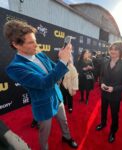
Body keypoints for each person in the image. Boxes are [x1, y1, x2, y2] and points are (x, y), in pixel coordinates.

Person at [3, 20, 78, 150]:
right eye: (31, 42)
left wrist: (64, 61)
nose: (36, 45)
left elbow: (54, 68)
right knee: (44, 133)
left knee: (64, 122)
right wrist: (63, 61)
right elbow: (44, 83)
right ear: (16, 45)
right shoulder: (15, 68)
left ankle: (67, 137)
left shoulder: (39, 54)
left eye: (35, 40)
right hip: (43, 105)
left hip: (57, 97)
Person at [96, 42, 122, 143]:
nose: (113, 51)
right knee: (103, 110)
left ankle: (113, 131)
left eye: (116, 49)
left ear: (120, 51)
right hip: (104, 93)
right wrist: (102, 83)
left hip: (115, 95)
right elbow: (101, 76)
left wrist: (115, 88)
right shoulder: (105, 62)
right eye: (111, 49)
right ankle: (103, 123)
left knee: (114, 114)